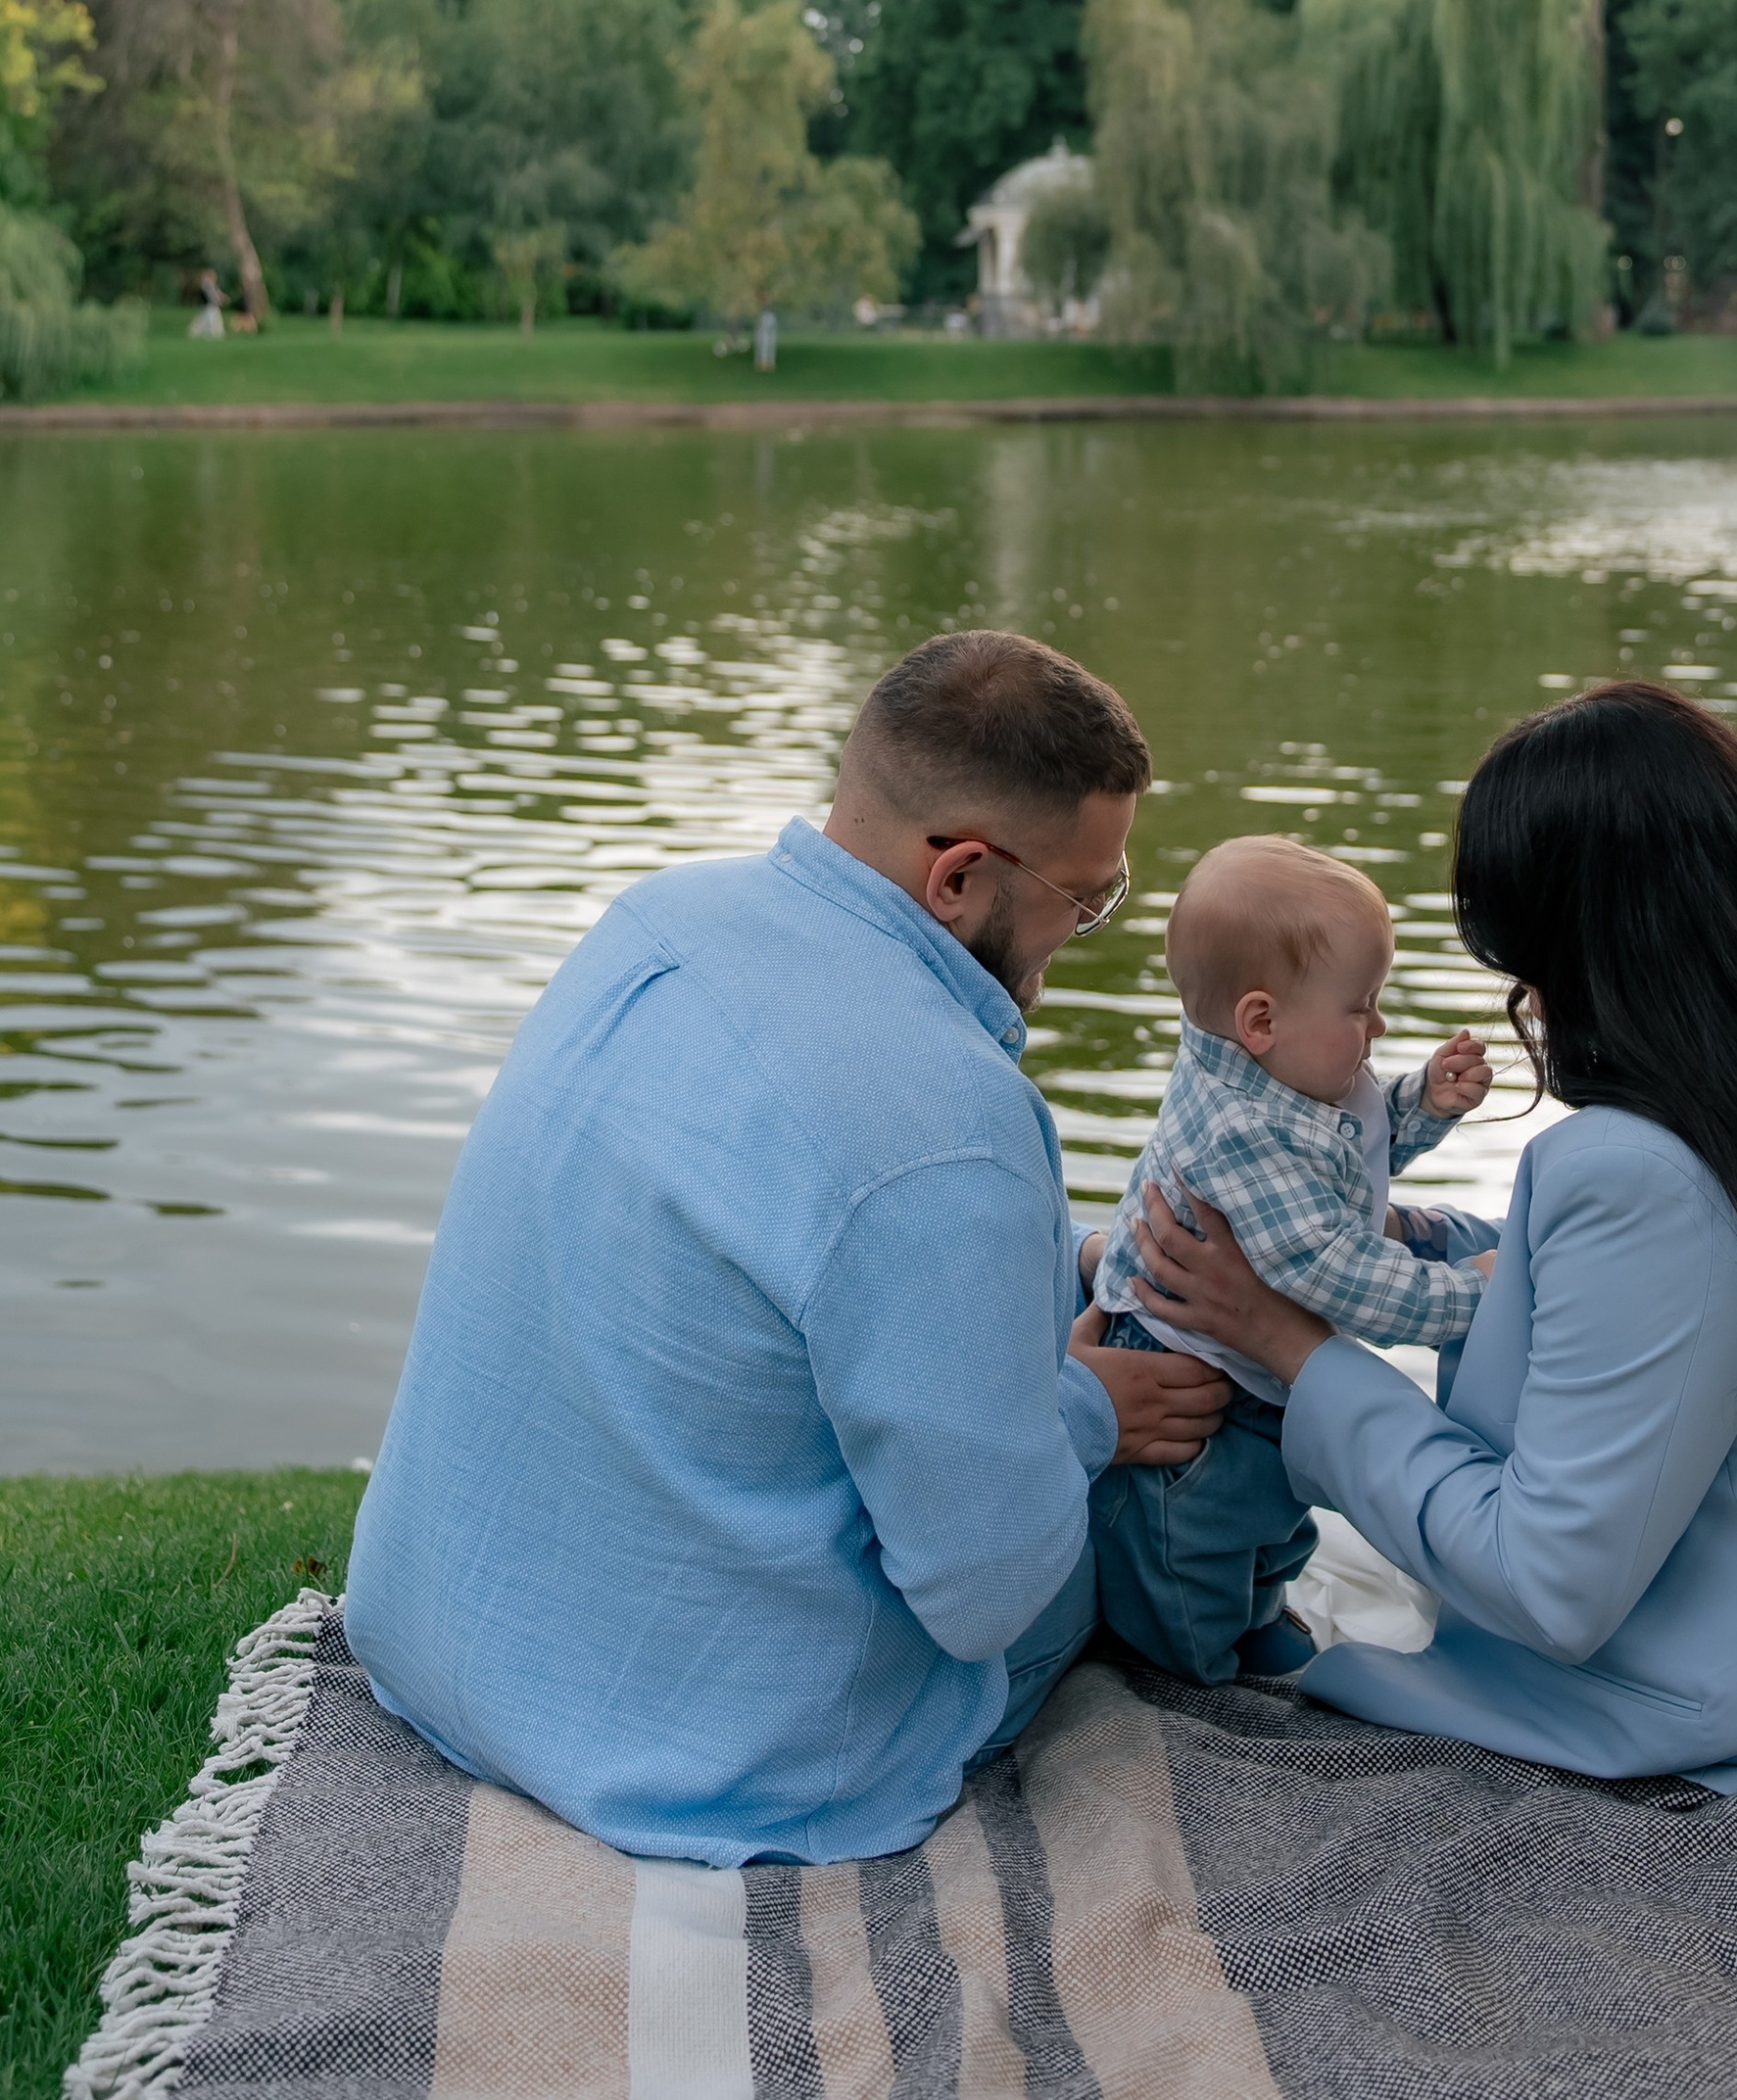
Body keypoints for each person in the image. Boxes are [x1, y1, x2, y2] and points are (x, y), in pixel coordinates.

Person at [344, 630, 1228, 1865]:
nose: (1079, 933)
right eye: (1085, 900)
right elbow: (984, 1597)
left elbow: (803, 1230)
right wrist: (1086, 1413)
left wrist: (1066, 1258)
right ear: (960, 875)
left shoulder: (661, 917)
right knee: (1151, 1512)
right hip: (711, 1761)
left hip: (439, 1644)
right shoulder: (948, 1122)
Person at [1132, 682, 1737, 1789]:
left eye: (1525, 965)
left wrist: (1291, 1345)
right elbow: (1695, 1291)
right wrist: (1409, 1233)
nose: (1530, 1001)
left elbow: (1549, 1585)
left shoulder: (1636, 1171)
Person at [1087, 835, 1498, 1685]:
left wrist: (1423, 1103)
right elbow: (1340, 1273)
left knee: (1276, 1511)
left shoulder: (1284, 1074)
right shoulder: (1241, 1131)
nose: (1378, 1026)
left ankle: (1260, 1612)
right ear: (1262, 1020)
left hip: (1248, 1362)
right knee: (1191, 1534)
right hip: (1187, 1377)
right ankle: (1189, 1674)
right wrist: (1470, 1297)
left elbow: (1345, 1154)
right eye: (1362, 1007)